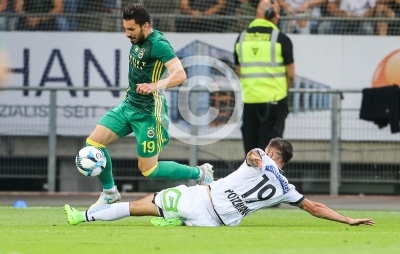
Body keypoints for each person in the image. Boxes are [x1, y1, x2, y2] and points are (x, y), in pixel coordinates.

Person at [63, 137, 375, 228]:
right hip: (218, 224)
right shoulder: (285, 188)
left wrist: (257, 158)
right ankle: (176, 221)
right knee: (170, 214)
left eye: (268, 151)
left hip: (200, 200)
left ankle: (83, 217)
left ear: (272, 154)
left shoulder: (260, 157)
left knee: (136, 207)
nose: (262, 153)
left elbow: (253, 155)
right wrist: (347, 219)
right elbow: (315, 207)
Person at [81, 3, 214, 210]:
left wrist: (154, 86)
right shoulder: (138, 38)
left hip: (149, 113)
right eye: (125, 29)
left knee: (148, 169)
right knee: (93, 143)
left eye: (131, 29)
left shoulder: (158, 44)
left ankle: (200, 173)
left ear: (146, 26)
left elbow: (180, 75)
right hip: (128, 106)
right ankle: (110, 193)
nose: (127, 34)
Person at [234, 0, 294, 156]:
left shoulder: (241, 38)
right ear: (270, 13)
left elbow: (239, 71)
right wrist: (282, 93)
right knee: (271, 153)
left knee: (251, 153)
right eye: (278, 13)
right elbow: (291, 74)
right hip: (274, 102)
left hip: (249, 102)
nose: (279, 17)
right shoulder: (280, 39)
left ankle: (251, 181)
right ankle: (268, 181)